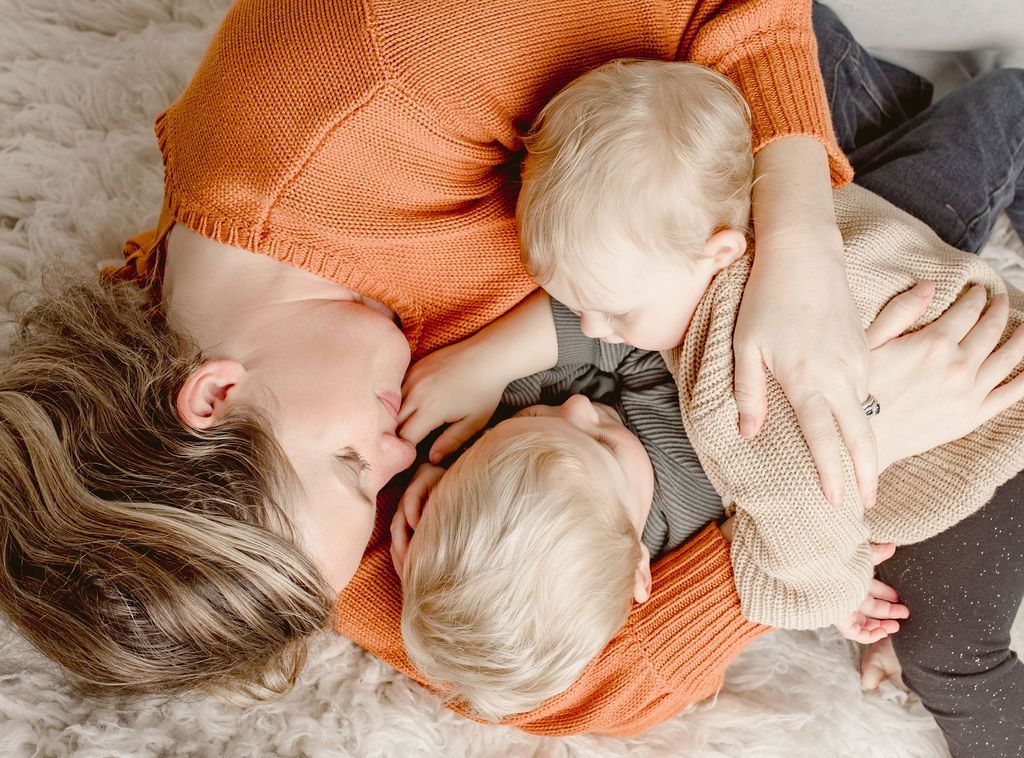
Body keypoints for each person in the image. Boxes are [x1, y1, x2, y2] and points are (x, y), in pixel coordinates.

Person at [394, 57, 1024, 725]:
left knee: (900, 169)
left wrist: (484, 366)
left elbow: (616, 343)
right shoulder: (677, 498)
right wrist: (838, 590)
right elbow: (788, 540)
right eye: (603, 439)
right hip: (962, 439)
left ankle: (991, 105)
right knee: (942, 650)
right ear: (641, 572)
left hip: (913, 312)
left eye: (549, 409)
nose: (582, 406)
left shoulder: (567, 429)